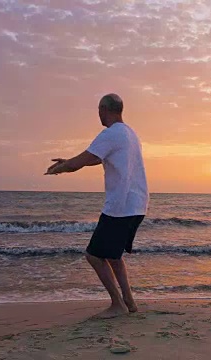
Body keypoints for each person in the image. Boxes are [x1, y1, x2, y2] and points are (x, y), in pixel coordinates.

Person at [44, 93, 149, 319]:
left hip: (120, 206)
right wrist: (69, 162)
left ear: (104, 108)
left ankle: (117, 304)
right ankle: (129, 301)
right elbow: (95, 158)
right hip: (137, 204)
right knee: (113, 255)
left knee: (93, 255)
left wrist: (59, 168)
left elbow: (81, 162)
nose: (98, 115)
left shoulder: (110, 134)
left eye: (98, 110)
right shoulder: (130, 133)